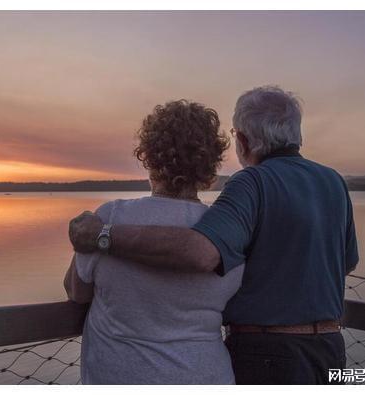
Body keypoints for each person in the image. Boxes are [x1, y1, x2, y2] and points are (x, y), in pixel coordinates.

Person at [69, 86, 360, 385]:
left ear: (244, 141)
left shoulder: (250, 183)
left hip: (267, 355)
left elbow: (201, 253)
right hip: (328, 348)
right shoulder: (333, 182)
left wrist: (102, 235)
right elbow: (346, 263)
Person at [63, 100, 244, 384]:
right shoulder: (224, 231)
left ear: (148, 156)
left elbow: (77, 292)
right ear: (209, 167)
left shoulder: (111, 217)